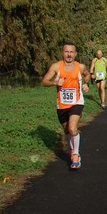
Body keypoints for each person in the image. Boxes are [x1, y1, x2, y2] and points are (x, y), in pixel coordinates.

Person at [41, 42, 91, 170]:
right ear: (63, 53)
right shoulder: (56, 67)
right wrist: (56, 82)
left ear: (75, 54)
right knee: (66, 130)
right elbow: (44, 81)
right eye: (66, 52)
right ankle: (73, 150)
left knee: (72, 128)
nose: (69, 54)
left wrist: (86, 84)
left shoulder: (80, 67)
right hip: (62, 104)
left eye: (71, 52)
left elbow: (87, 74)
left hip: (77, 102)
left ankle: (75, 155)